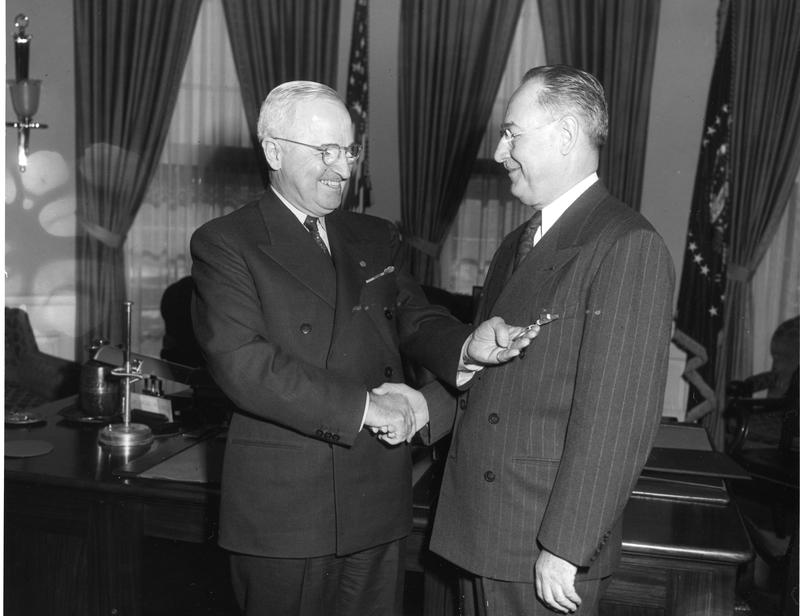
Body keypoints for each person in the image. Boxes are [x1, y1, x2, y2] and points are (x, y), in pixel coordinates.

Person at [189, 80, 535, 616]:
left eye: (349, 150)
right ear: (274, 151)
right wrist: (369, 406)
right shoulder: (226, 242)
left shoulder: (376, 235)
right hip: (285, 514)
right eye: (324, 150)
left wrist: (470, 344)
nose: (343, 168)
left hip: (377, 498)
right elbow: (246, 366)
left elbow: (417, 319)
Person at [426, 65, 676, 615]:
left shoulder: (627, 244)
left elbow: (618, 417)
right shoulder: (517, 242)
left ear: (565, 135)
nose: (498, 151)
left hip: (541, 548)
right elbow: (490, 381)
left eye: (513, 132)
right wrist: (417, 410)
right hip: (482, 527)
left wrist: (565, 546)